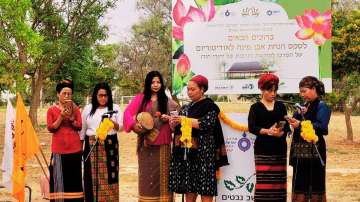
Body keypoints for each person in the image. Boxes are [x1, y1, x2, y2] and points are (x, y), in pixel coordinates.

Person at [169, 75, 229, 202]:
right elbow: (178, 129)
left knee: (205, 187)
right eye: (188, 89)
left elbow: (205, 124)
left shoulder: (210, 106)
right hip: (189, 154)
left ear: (202, 89)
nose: (189, 92)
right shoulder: (185, 107)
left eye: (193, 89)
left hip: (204, 154)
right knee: (190, 188)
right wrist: (173, 123)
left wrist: (184, 120)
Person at [123, 71, 178, 202]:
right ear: (148, 83)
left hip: (163, 145)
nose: (155, 85)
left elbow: (176, 122)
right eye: (153, 82)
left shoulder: (168, 102)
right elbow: (127, 113)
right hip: (146, 145)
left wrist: (169, 119)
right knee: (146, 178)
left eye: (158, 82)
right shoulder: (141, 98)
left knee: (163, 178)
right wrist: (134, 125)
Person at [287, 76, 331, 202]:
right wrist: (297, 117)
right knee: (300, 183)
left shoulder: (322, 106)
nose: (302, 95)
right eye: (300, 91)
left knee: (314, 184)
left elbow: (322, 128)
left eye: (304, 91)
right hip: (300, 153)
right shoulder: (303, 105)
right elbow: (298, 121)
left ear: (313, 89)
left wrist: (300, 124)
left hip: (314, 153)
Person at [248, 73, 290, 202]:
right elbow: (252, 127)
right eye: (269, 90)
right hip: (263, 150)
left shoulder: (280, 106)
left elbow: (286, 126)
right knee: (264, 181)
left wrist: (281, 131)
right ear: (262, 90)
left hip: (279, 149)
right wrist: (268, 131)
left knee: (279, 181)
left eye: (275, 90)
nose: (273, 93)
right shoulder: (255, 107)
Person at [80, 82, 123, 202]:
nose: (103, 98)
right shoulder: (88, 109)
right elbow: (82, 132)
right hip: (92, 146)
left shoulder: (115, 108)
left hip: (110, 147)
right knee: (90, 178)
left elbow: (121, 127)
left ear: (109, 96)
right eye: (100, 95)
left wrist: (111, 122)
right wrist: (81, 151)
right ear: (95, 96)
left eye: (106, 95)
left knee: (111, 178)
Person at [46, 80, 84, 201]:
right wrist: (61, 116)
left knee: (74, 179)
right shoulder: (51, 110)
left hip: (75, 149)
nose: (67, 96)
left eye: (69, 94)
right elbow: (51, 128)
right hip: (59, 150)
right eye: (64, 93)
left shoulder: (76, 109)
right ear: (58, 94)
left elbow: (79, 126)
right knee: (58, 180)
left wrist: (72, 119)